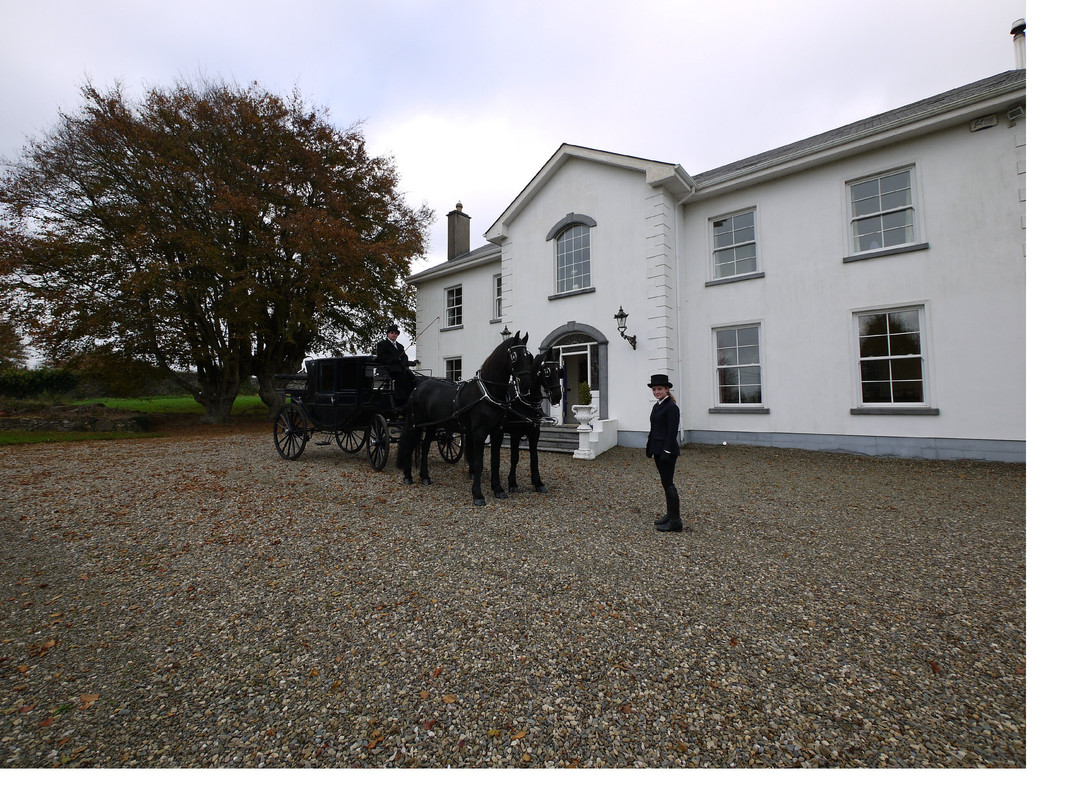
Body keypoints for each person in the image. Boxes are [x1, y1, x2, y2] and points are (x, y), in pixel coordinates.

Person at [645, 373, 682, 532]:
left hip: (667, 451)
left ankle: (676, 522)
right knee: (665, 483)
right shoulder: (657, 406)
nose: (656, 392)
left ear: (667, 389)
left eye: (659, 389)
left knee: (669, 483)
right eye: (654, 389)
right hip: (657, 450)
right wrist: (649, 447)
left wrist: (666, 451)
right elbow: (655, 429)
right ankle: (670, 515)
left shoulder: (671, 407)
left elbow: (672, 432)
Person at [375, 323, 417, 407]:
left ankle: (411, 396)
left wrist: (404, 362)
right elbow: (381, 357)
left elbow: (404, 357)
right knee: (401, 377)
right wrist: (394, 359)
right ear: (388, 334)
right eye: (392, 333)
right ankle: (400, 401)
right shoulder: (382, 344)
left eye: (396, 333)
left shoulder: (400, 346)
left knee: (413, 377)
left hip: (401, 368)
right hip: (389, 369)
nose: (394, 335)